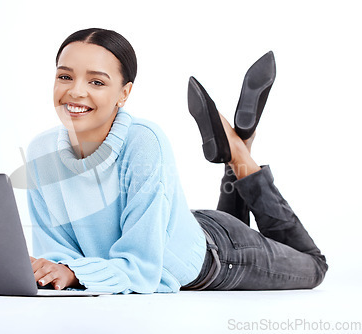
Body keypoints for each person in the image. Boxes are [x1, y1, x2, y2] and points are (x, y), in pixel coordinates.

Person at [25, 28, 328, 294]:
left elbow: (142, 267)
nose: (75, 91)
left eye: (97, 82)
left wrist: (79, 274)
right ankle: (239, 147)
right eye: (65, 76)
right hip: (174, 224)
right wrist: (53, 271)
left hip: (219, 253)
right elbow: (55, 251)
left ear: (124, 93)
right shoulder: (41, 151)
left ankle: (238, 153)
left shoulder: (143, 140)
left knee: (314, 266)